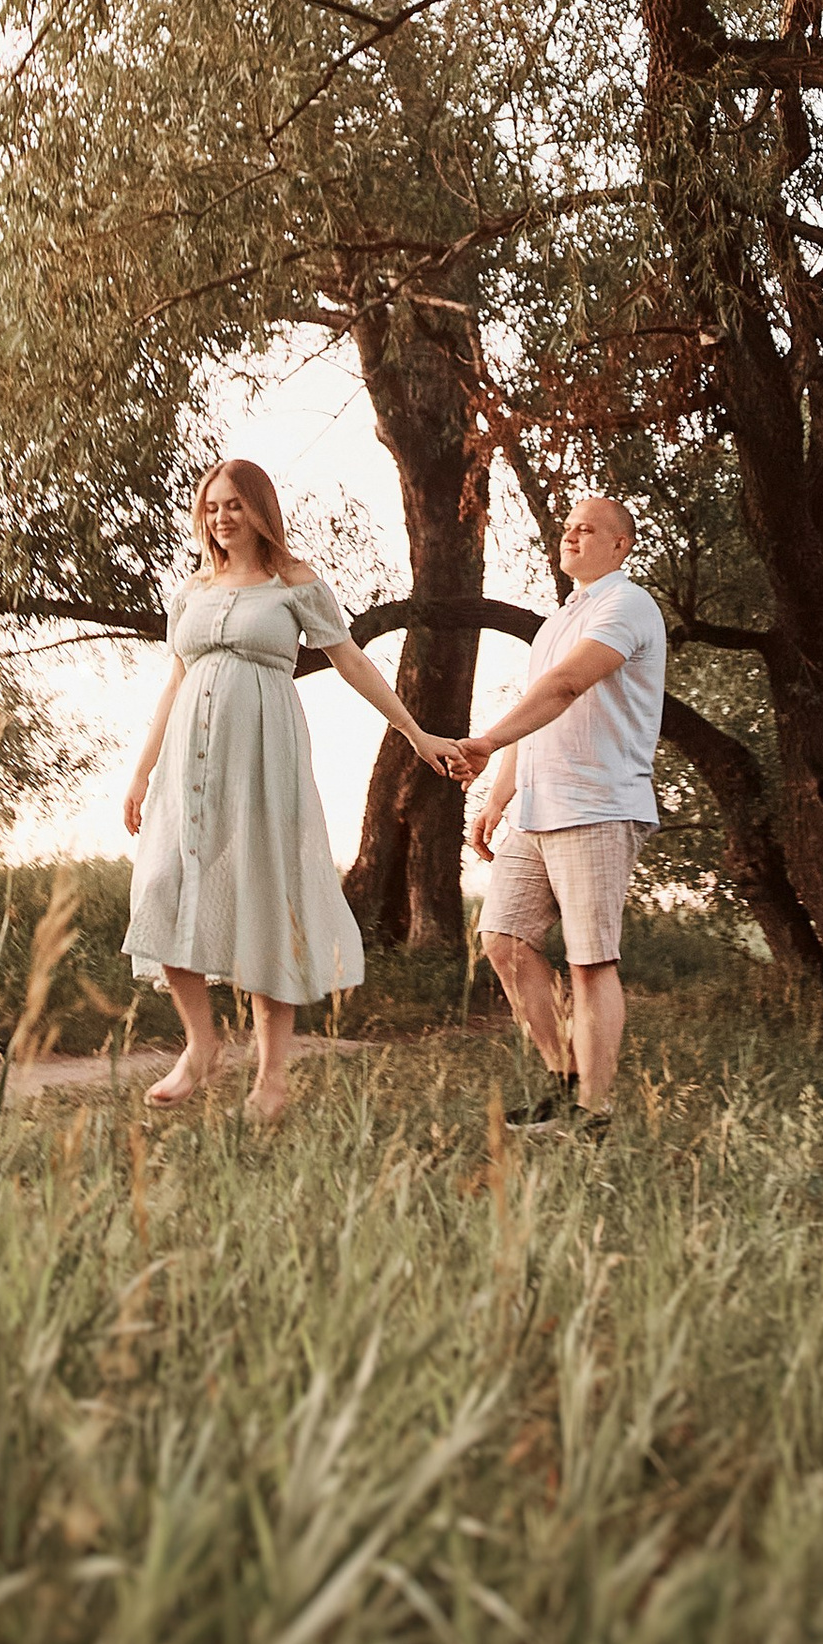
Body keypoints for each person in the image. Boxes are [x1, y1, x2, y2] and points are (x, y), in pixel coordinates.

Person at [122, 457, 461, 1121]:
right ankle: (202, 1047)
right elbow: (175, 682)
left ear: (260, 510)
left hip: (263, 755)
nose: (222, 517)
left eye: (235, 505)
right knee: (162, 882)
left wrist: (418, 733)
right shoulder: (191, 590)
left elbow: (352, 661)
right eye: (213, 505)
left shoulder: (294, 582)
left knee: (265, 900)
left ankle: (271, 1075)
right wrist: (142, 769)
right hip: (188, 765)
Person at [452, 495, 666, 1138]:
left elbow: (566, 688)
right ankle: (564, 1082)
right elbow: (537, 712)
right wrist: (496, 797)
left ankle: (593, 1115)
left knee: (589, 960)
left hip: (598, 806)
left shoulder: (628, 606)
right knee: (503, 941)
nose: (571, 536)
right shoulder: (553, 625)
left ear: (620, 545)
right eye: (567, 527)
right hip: (539, 812)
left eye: (588, 529)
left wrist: (483, 740)